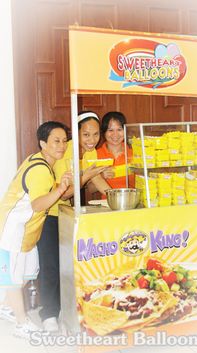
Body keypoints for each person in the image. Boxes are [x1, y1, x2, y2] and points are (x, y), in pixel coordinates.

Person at [37, 111, 111, 332]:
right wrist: (87, 176)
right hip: (49, 213)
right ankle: (48, 314)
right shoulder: (64, 150)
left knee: (69, 266)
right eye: (86, 134)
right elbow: (65, 192)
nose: (91, 139)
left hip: (68, 216)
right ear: (76, 134)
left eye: (96, 134)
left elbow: (95, 176)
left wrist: (117, 198)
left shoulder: (90, 153)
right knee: (50, 265)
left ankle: (68, 310)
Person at [0, 121, 72, 339]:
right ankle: (22, 324)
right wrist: (61, 189)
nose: (61, 145)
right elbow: (38, 205)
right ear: (43, 143)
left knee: (25, 272)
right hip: (13, 229)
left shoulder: (41, 162)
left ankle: (6, 306)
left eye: (64, 141)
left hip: (26, 229)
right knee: (14, 276)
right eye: (55, 141)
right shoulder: (41, 169)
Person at [97, 111, 134, 193]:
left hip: (132, 201)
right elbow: (90, 189)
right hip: (106, 202)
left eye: (119, 129)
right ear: (104, 132)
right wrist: (102, 177)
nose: (115, 134)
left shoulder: (135, 153)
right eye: (110, 130)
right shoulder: (96, 154)